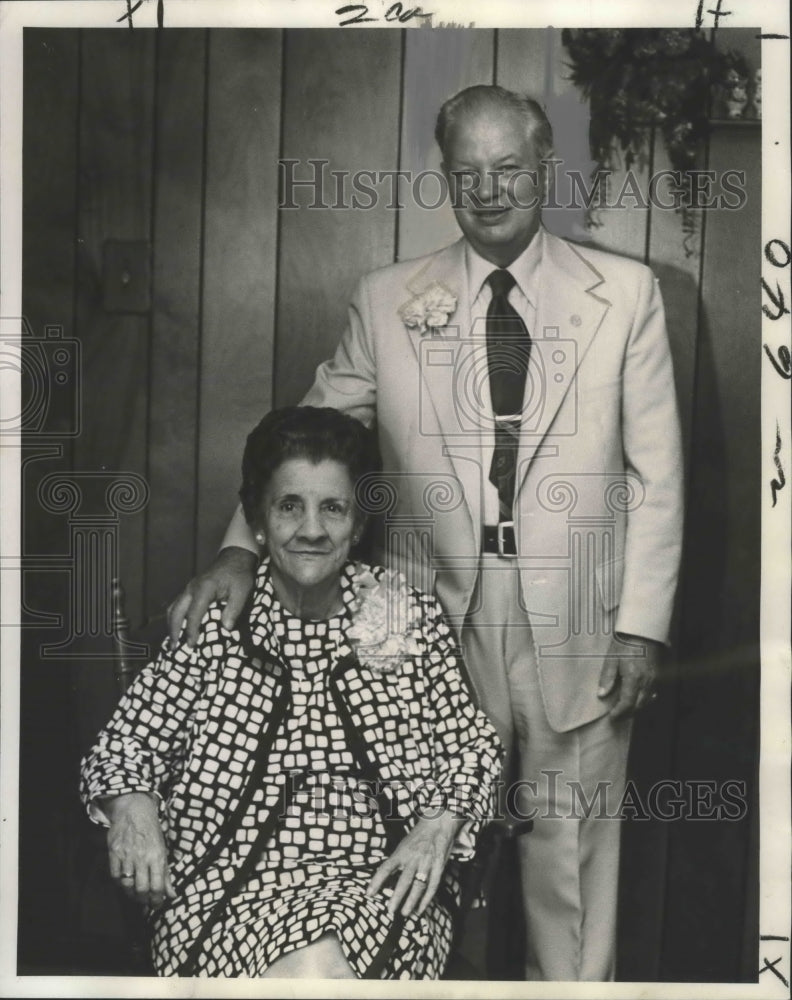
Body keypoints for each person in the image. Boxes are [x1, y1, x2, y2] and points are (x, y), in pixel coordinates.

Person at [168, 85, 684, 981]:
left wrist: (641, 623)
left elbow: (656, 474)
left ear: (544, 168)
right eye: (467, 173)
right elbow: (303, 443)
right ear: (445, 177)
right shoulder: (387, 298)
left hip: (581, 624)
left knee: (569, 857)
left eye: (509, 169)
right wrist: (238, 550)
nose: (488, 191)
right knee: (431, 846)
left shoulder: (626, 295)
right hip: (416, 628)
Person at [80, 406, 503, 979]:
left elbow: (473, 747)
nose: (311, 529)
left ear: (357, 525)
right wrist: (134, 809)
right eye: (289, 506)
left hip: (380, 884)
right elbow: (122, 747)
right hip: (222, 890)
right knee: (311, 972)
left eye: (333, 507)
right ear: (258, 520)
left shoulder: (402, 617)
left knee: (319, 966)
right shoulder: (218, 624)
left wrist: (437, 827)